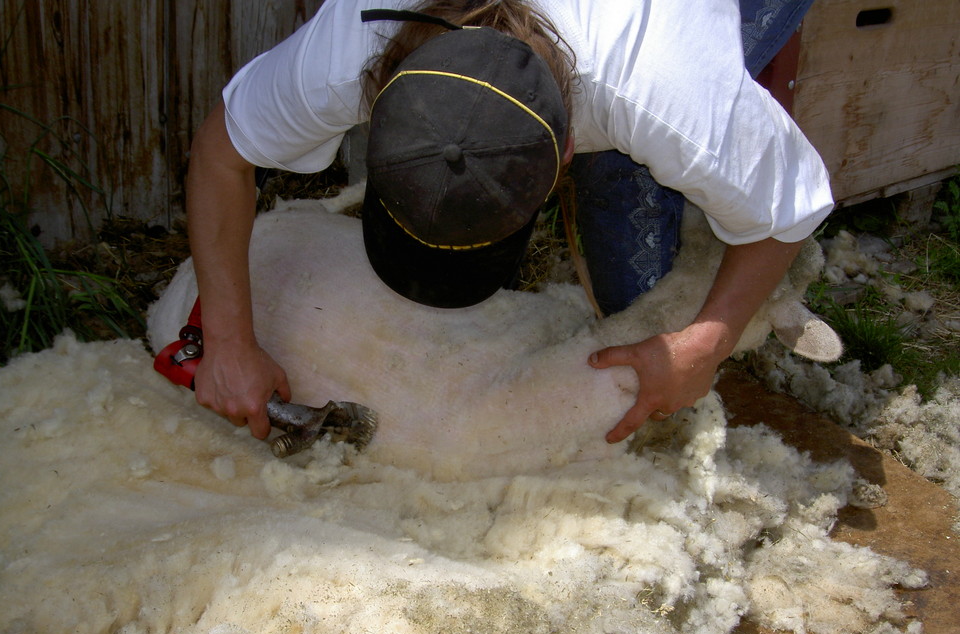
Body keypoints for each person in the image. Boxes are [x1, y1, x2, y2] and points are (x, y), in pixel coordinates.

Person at [185, 0, 832, 444]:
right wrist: (229, 340)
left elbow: (790, 211)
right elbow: (221, 155)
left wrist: (703, 346)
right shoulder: (347, 50)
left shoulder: (664, 94)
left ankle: (744, 285)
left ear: (567, 151)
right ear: (375, 105)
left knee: (633, 219)